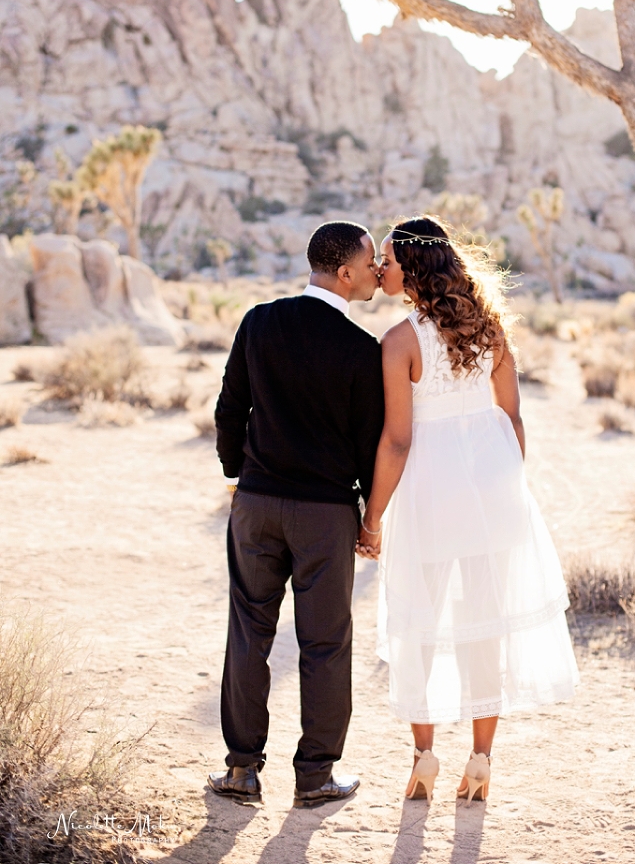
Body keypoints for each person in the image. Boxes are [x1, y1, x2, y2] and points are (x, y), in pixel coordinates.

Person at [356, 216, 578, 804]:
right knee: (486, 625)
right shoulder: (491, 329)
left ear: (413, 268)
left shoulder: (399, 342)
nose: (380, 268)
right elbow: (512, 419)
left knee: (419, 624)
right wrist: (509, 490)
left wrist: (373, 518)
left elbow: (397, 441)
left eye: (387, 260)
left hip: (429, 492)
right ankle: (481, 761)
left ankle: (424, 757)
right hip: (491, 488)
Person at [209, 220, 384, 808]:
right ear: (345, 273)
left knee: (248, 632)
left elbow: (229, 408)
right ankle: (314, 776)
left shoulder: (259, 321)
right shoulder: (362, 350)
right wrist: (369, 516)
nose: (377, 272)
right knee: (326, 642)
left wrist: (240, 474)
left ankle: (241, 770)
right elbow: (370, 445)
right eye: (370, 263)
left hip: (256, 505)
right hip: (325, 517)